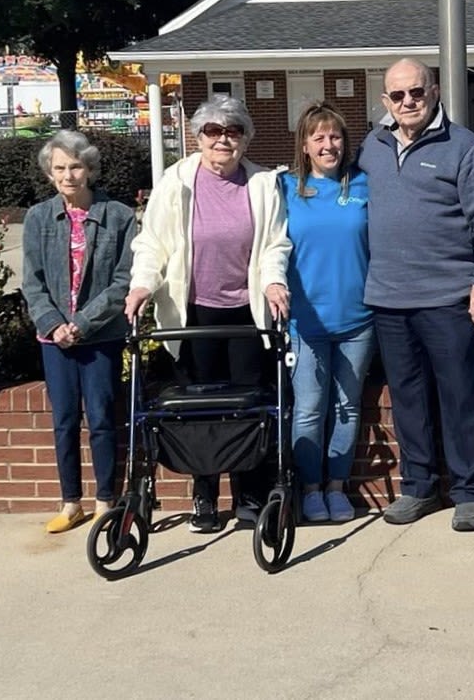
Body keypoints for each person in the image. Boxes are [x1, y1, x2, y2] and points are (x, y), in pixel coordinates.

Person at [122, 95, 291, 534]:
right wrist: (142, 285)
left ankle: (250, 495)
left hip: (246, 312)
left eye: (232, 131)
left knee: (249, 404)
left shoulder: (262, 184)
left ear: (246, 138)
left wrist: (274, 281)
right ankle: (204, 496)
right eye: (213, 131)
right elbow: (152, 243)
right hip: (192, 312)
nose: (223, 139)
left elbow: (275, 243)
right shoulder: (174, 182)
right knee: (198, 407)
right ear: (196, 137)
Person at [357, 58, 474, 533]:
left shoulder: (464, 148)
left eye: (416, 92)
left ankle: (468, 493)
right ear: (385, 101)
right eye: (397, 95)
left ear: (435, 91)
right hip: (388, 298)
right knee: (408, 398)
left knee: (459, 396)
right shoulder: (372, 147)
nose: (408, 103)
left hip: (447, 297)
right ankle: (419, 487)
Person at [20, 130, 136, 535]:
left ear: (89, 168)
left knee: (103, 417)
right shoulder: (37, 218)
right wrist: (54, 325)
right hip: (55, 339)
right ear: (49, 174)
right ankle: (71, 501)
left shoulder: (119, 216)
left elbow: (123, 280)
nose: (68, 175)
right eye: (60, 168)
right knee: (64, 419)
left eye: (75, 166)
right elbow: (32, 282)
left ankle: (107, 499)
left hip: (101, 335)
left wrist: (83, 323)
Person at [277, 103, 373, 524]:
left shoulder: (365, 185)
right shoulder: (283, 188)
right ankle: (310, 489)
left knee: (348, 407)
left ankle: (337, 487)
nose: (328, 144)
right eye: (318, 137)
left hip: (358, 320)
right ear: (304, 144)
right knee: (309, 408)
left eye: (334, 137)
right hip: (305, 321)